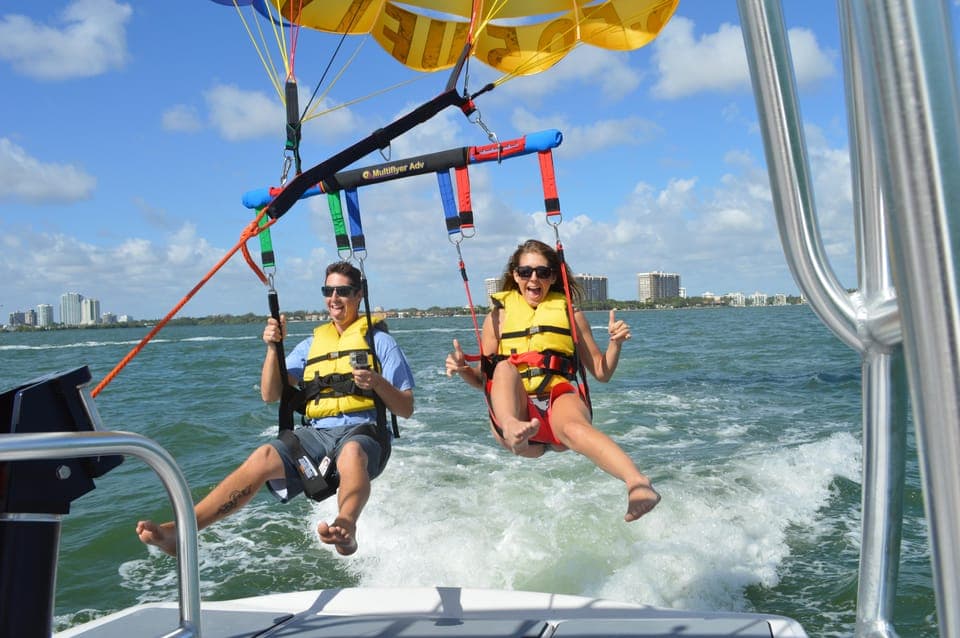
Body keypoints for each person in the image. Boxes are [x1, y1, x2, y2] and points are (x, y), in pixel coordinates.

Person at [137, 261, 415, 557]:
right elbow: (271, 394)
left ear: (359, 295)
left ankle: (345, 526)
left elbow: (406, 407)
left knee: (352, 454)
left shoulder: (381, 343)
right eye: (328, 290)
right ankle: (181, 532)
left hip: (364, 432)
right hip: (317, 435)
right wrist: (272, 348)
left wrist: (377, 383)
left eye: (343, 291)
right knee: (264, 455)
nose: (334, 298)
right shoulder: (310, 345)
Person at [445, 239, 659, 522]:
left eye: (542, 272)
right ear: (515, 276)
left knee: (572, 425)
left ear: (553, 277)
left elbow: (602, 372)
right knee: (505, 369)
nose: (534, 278)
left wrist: (615, 344)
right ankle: (513, 428)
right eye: (525, 272)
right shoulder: (496, 319)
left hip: (558, 398)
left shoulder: (571, 315)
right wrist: (462, 369)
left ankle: (638, 485)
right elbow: (485, 381)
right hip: (517, 412)